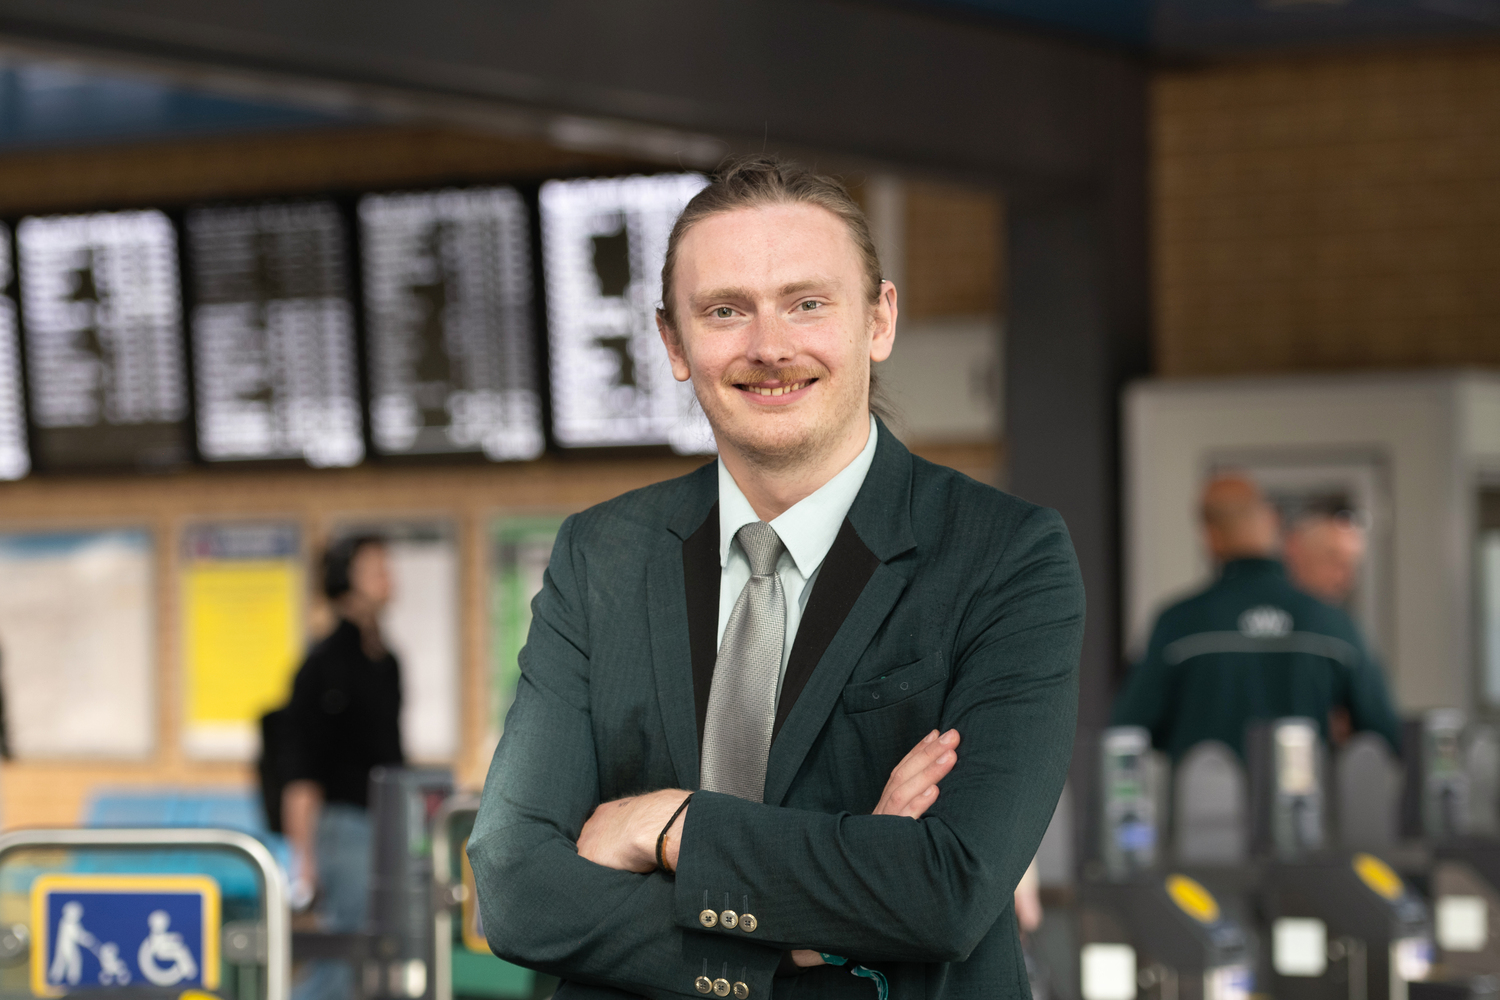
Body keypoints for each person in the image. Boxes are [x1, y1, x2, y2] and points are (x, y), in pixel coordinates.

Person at [467, 156, 1084, 1000]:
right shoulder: (600, 555)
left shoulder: (1004, 556)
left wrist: (667, 825)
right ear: (674, 344)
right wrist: (792, 940)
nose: (769, 347)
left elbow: (946, 888)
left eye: (807, 303)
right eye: (725, 311)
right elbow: (513, 886)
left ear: (879, 320)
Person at [1112, 475, 1401, 760]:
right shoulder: (1331, 625)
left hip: (1199, 802)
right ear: (1271, 523)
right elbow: (1384, 738)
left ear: (1210, 534)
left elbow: (1125, 737)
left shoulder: (1179, 624)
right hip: (1305, 803)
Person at [283, 534, 403, 1000]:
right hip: (342, 829)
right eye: (375, 568)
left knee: (381, 960)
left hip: (386, 824)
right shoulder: (323, 665)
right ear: (344, 583)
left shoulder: (387, 662)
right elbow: (301, 770)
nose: (388, 577)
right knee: (338, 962)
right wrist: (305, 863)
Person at [1284, 512, 1365, 608]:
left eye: (1350, 566)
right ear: (1294, 549)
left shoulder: (1340, 620)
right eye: (1333, 561)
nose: (1343, 580)